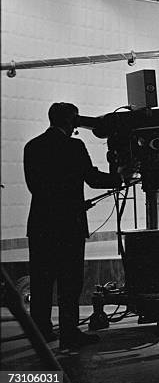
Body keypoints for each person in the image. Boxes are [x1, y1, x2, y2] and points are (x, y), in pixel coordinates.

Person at [24, 102, 122, 350]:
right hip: (69, 225)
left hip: (40, 225)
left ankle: (41, 332)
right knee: (69, 282)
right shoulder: (74, 146)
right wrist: (121, 177)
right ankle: (69, 333)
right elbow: (92, 178)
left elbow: (34, 186)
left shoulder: (32, 147)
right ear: (71, 122)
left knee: (41, 281)